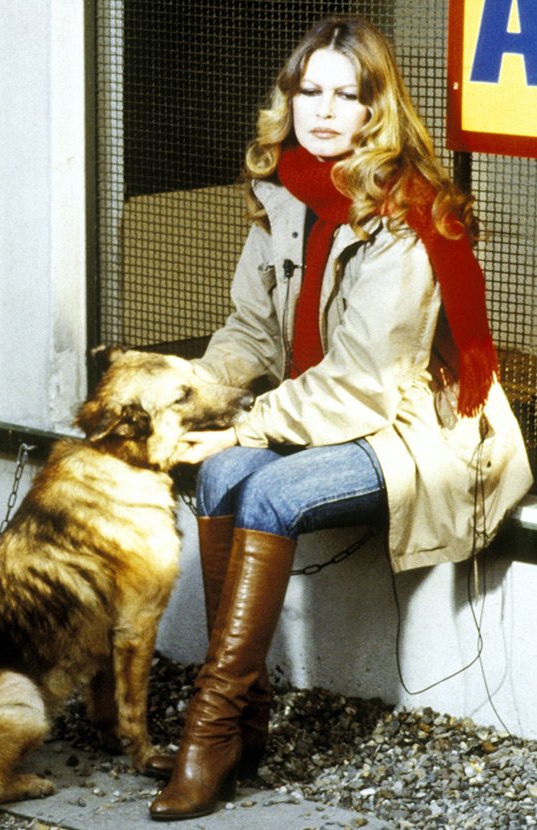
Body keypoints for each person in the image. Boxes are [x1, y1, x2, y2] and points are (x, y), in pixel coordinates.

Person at [147, 14, 534, 822]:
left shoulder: (408, 215)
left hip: (418, 426)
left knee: (267, 492)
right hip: (328, 406)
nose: (323, 110)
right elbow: (251, 330)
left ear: (376, 110)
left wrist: (248, 426)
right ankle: (243, 725)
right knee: (220, 473)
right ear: (287, 101)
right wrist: (190, 391)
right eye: (308, 91)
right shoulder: (287, 191)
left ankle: (210, 729)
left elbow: (362, 381)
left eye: (346, 95)